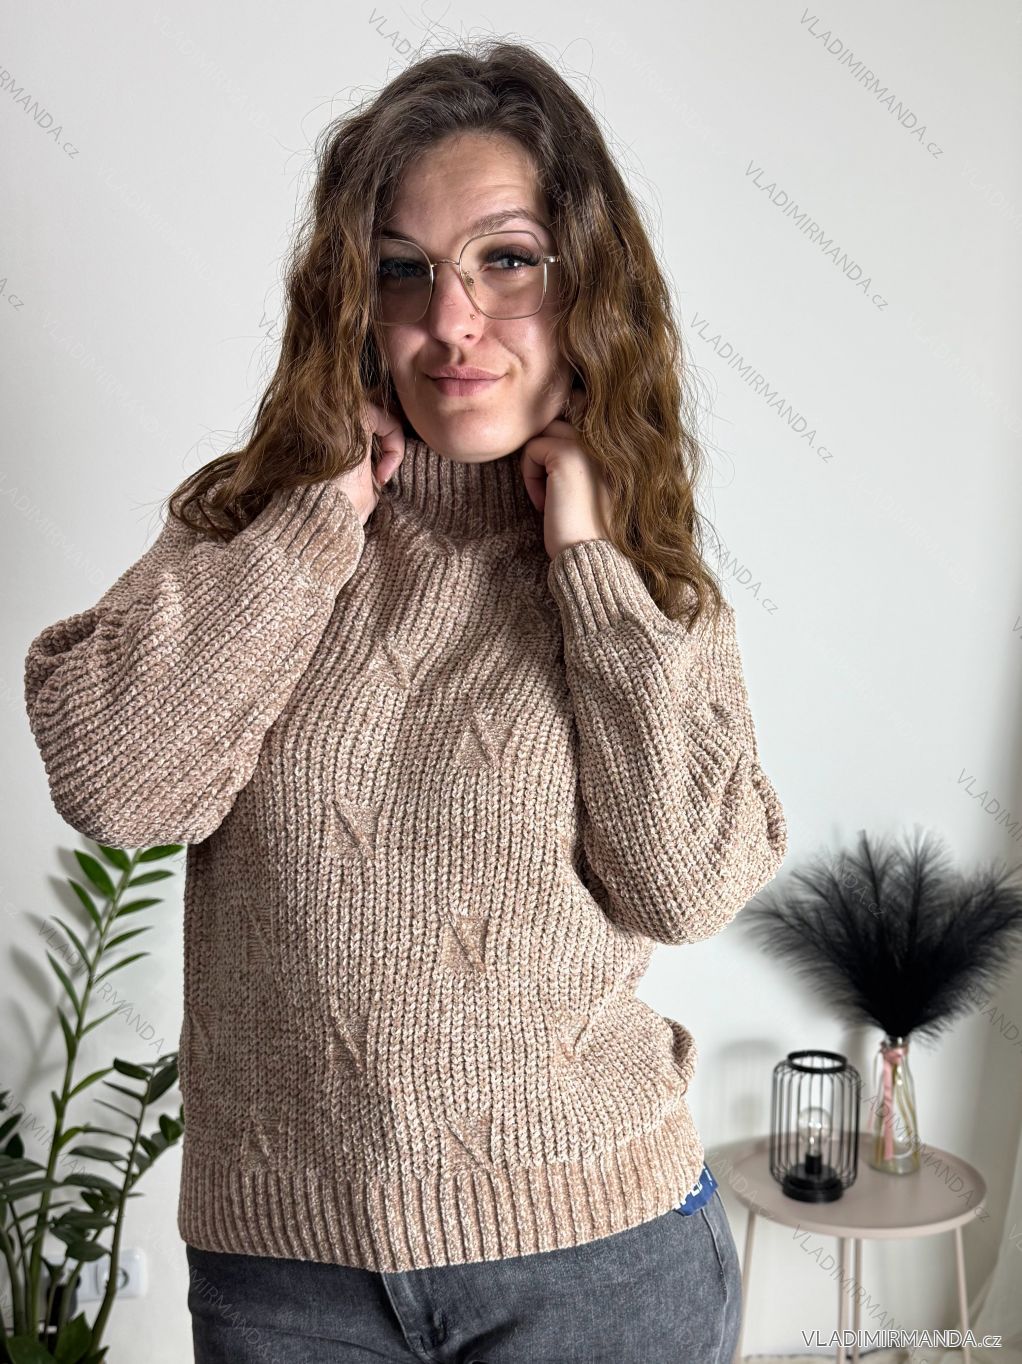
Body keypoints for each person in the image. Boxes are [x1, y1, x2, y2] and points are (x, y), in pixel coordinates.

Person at [22, 38, 787, 1364]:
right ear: (353, 299)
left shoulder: (642, 568)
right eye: (403, 270)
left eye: (507, 260)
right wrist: (317, 514)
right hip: (288, 1279)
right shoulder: (262, 522)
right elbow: (118, 785)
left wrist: (589, 562)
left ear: (586, 280)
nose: (453, 320)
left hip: (593, 1260)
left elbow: (681, 885)